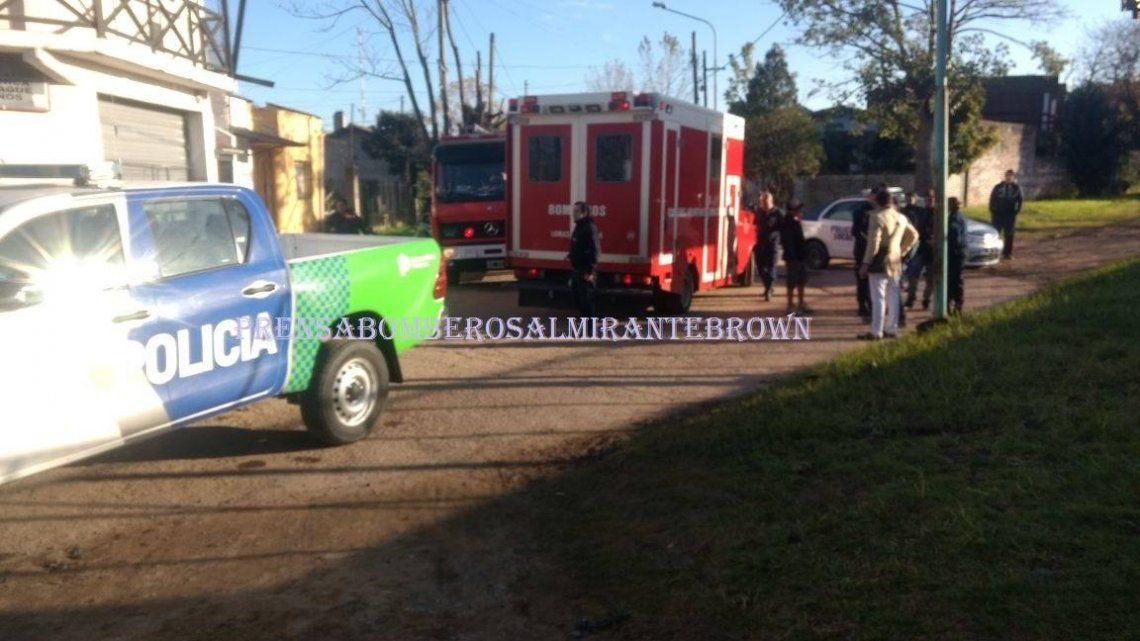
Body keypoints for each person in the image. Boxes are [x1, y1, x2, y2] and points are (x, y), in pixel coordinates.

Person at [858, 190, 918, 340]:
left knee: (878, 297)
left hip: (879, 261)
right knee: (893, 295)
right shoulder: (901, 217)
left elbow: (874, 243)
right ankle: (891, 329)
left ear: (877, 201)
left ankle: (876, 331)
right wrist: (902, 250)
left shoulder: (877, 217)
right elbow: (914, 235)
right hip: (895, 259)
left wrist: (866, 263)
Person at [904, 189, 936, 310]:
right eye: (928, 199)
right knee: (913, 277)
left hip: (932, 251)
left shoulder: (939, 214)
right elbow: (917, 229)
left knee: (931, 279)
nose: (929, 201)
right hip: (920, 249)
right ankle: (911, 299)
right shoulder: (921, 213)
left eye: (931, 199)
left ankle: (926, 300)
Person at [568, 201, 601, 316]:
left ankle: (589, 326)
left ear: (584, 213)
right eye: (573, 211)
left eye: (577, 211)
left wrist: (590, 272)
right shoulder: (578, 227)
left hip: (585, 271)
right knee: (578, 300)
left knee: (587, 302)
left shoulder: (589, 228)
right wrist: (572, 255)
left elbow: (594, 251)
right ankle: (583, 323)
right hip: (577, 270)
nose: (574, 214)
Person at [780, 200, 812, 315]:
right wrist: (793, 256)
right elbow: (787, 242)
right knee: (792, 281)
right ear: (793, 211)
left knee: (801, 280)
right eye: (798, 209)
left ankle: (801, 303)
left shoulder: (795, 221)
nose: (800, 211)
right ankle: (790, 305)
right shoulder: (788, 223)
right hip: (793, 257)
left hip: (800, 256)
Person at [751, 190, 784, 301]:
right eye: (762, 202)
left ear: (771, 201)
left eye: (766, 201)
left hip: (772, 244)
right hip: (760, 244)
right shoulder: (758, 212)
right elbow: (753, 224)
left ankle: (768, 289)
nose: (764, 204)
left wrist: (782, 241)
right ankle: (768, 286)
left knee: (771, 267)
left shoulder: (778, 213)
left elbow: (784, 227)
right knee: (760, 267)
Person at [988, 169, 1023, 260]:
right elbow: (992, 198)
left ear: (1013, 177)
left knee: (1009, 235)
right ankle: (993, 252)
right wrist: (992, 209)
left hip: (1010, 215)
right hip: (998, 214)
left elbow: (1020, 200)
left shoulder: (1016, 188)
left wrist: (1017, 211)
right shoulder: (998, 187)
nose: (1008, 178)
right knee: (995, 233)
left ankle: (1007, 253)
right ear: (1005, 176)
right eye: (1007, 175)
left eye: (1011, 176)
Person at [852, 190, 874, 319]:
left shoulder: (878, 211)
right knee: (862, 280)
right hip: (862, 251)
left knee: (872, 282)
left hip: (873, 252)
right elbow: (855, 231)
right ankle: (862, 306)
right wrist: (867, 239)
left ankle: (870, 306)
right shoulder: (861, 211)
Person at [947, 196, 969, 315]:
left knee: (954, 280)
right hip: (960, 252)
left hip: (956, 253)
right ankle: (954, 304)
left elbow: (955, 237)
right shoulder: (958, 216)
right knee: (955, 280)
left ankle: (957, 305)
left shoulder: (954, 218)